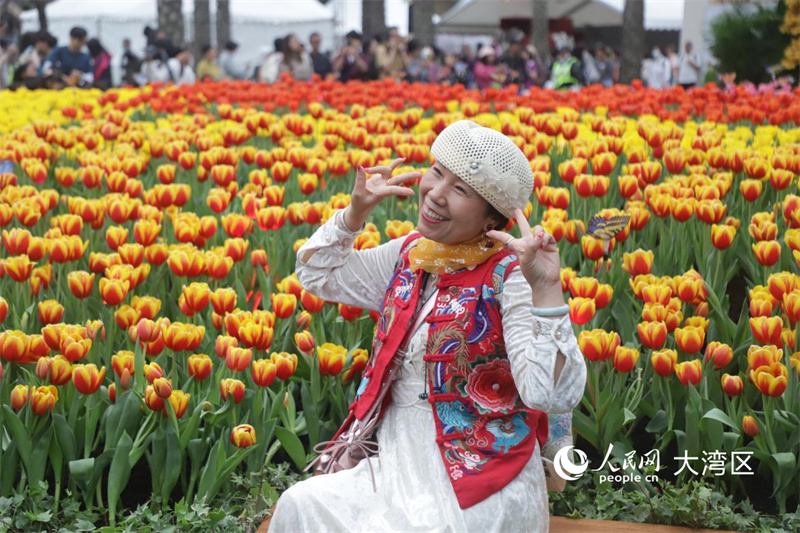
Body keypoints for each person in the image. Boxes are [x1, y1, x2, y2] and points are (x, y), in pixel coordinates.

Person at [269, 120, 586, 532]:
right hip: (394, 460)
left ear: (491, 220)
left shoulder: (509, 278)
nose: (435, 193)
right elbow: (318, 276)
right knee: (301, 504)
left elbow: (547, 394)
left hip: (482, 474)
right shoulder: (411, 254)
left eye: (461, 190)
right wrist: (355, 213)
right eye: (437, 172)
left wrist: (545, 288)